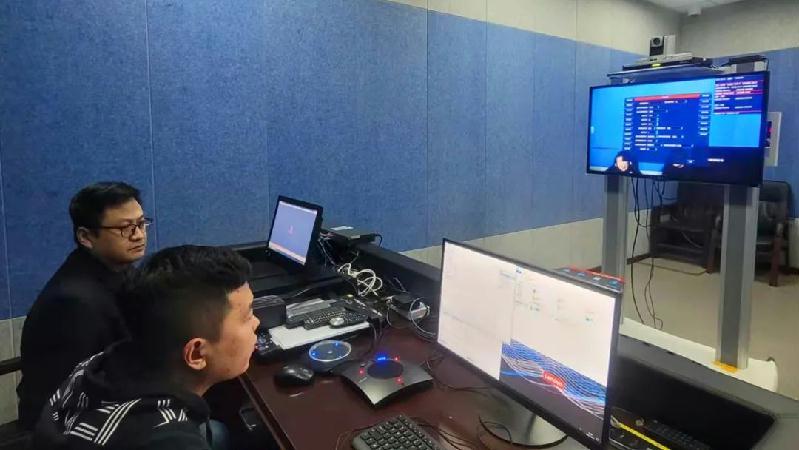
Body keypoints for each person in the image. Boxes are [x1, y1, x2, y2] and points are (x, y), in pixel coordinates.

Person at [32, 245, 259, 450]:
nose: (256, 322)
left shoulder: (99, 362)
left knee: (218, 433)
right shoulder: (168, 440)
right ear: (196, 354)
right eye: (247, 316)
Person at [17, 182, 151, 429]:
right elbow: (71, 394)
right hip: (69, 425)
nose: (138, 235)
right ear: (86, 237)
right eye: (125, 228)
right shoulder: (72, 303)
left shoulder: (120, 270)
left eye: (141, 224)